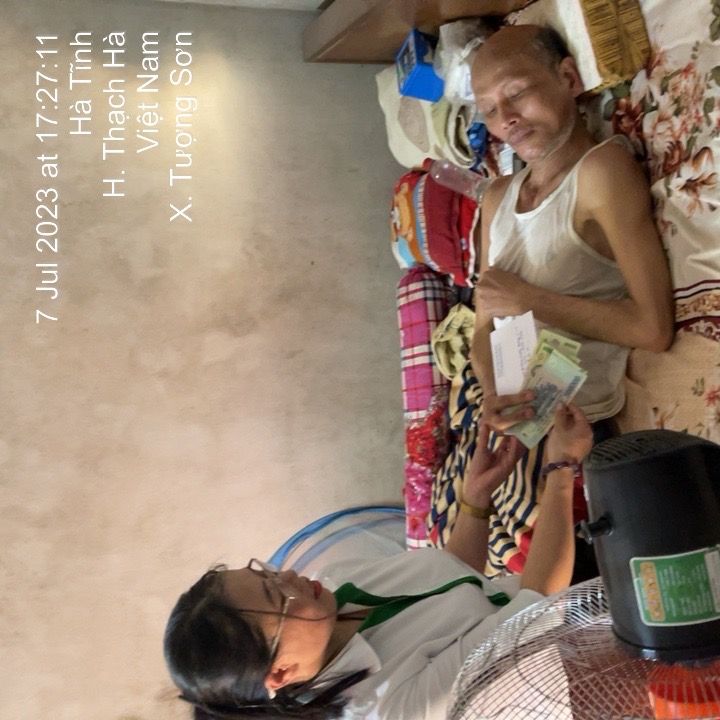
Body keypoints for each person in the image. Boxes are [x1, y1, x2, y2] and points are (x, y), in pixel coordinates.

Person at [164, 404, 593, 720]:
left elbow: (453, 578)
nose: (290, 576)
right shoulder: (392, 707)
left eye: (268, 574)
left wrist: (475, 500)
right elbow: (535, 609)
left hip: (560, 593)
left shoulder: (336, 588)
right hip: (587, 664)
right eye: (278, 596)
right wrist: (560, 468)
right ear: (280, 672)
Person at [468, 24, 674, 432]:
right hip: (521, 429)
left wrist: (530, 301)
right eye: (489, 110)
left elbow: (653, 329)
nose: (506, 119)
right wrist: (493, 395)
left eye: (516, 92)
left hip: (583, 429)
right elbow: (483, 329)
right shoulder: (496, 197)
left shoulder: (600, 174)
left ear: (568, 78)